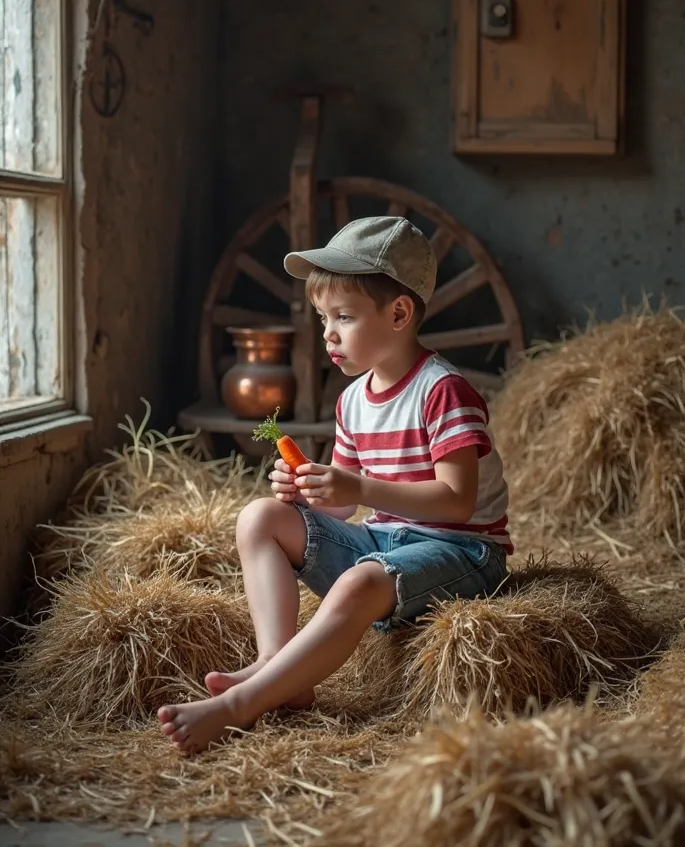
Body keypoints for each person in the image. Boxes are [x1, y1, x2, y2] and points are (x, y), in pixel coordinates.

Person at [159, 215, 511, 753]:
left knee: (359, 583)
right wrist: (308, 494)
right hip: (388, 541)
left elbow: (458, 502)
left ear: (398, 314)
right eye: (324, 317)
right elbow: (343, 511)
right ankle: (278, 667)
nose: (327, 333)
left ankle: (240, 706)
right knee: (260, 517)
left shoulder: (444, 392)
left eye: (343, 317)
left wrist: (360, 489)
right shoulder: (351, 401)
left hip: (463, 550)